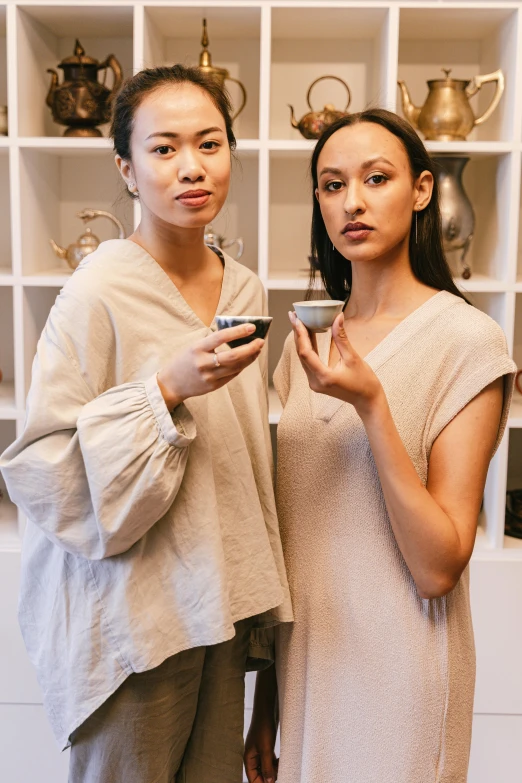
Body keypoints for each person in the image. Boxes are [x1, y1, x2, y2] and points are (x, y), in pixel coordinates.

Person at [0, 65, 292, 783]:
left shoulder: (247, 288)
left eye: (210, 143)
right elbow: (39, 465)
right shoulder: (95, 290)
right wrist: (163, 389)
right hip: (134, 616)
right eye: (163, 149)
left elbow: (246, 448)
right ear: (127, 171)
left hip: (220, 599)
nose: (192, 166)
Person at [245, 109, 516, 783]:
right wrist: (266, 703)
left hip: (402, 677)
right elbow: (301, 538)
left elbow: (438, 567)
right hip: (310, 668)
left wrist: (372, 405)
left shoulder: (468, 342)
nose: (353, 201)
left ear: (422, 189)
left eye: (376, 178)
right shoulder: (303, 347)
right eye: (332, 185)